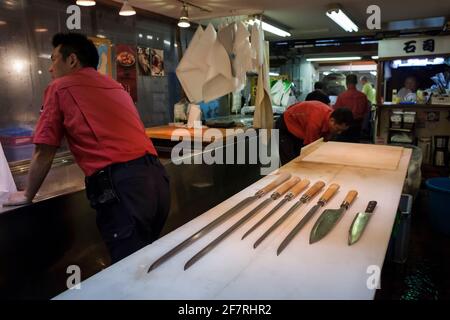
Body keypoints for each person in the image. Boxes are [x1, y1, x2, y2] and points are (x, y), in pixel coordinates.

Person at [4, 33, 170, 264]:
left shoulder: (60, 87)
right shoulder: (115, 86)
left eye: (53, 60)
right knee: (148, 264)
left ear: (72, 60)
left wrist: (27, 194)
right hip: (157, 181)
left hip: (123, 189)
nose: (51, 68)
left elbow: (45, 150)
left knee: (130, 271)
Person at [275, 100, 353, 165]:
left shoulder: (331, 116)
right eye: (338, 129)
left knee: (299, 158)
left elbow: (324, 141)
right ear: (332, 121)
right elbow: (310, 148)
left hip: (300, 127)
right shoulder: (315, 122)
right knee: (290, 162)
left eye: (342, 131)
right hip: (286, 125)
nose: (339, 133)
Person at [333, 74, 370, 142]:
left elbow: (336, 112)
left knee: (344, 144)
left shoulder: (342, 96)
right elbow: (366, 111)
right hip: (358, 126)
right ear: (356, 82)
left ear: (346, 83)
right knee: (355, 145)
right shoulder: (363, 96)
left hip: (345, 126)